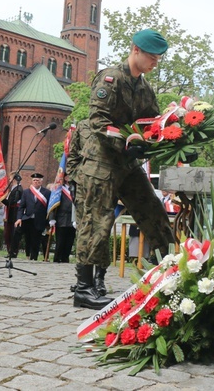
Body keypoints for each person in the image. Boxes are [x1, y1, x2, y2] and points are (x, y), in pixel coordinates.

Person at [73, 29, 177, 309]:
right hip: (102, 161)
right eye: (152, 57)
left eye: (158, 58)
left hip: (128, 164)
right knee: (97, 221)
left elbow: (154, 124)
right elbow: (98, 120)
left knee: (152, 208)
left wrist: (177, 140)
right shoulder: (111, 78)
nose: (155, 62)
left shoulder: (145, 89)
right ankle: (84, 289)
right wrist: (125, 143)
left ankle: (169, 271)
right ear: (135, 50)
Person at [14, 172, 51, 261]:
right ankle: (13, 253)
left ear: (41, 182)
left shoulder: (47, 192)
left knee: (36, 239)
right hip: (27, 218)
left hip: (39, 219)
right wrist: (19, 218)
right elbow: (21, 206)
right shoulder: (27, 192)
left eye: (37, 180)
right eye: (34, 180)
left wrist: (48, 221)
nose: (35, 182)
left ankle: (34, 257)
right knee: (17, 232)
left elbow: (49, 208)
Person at [48, 183, 76, 263]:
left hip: (72, 218)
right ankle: (57, 258)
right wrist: (52, 218)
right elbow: (53, 203)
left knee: (70, 241)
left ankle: (65, 258)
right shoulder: (58, 189)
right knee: (60, 241)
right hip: (61, 218)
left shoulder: (75, 188)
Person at [5, 173, 24, 258]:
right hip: (11, 214)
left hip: (14, 214)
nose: (9, 180)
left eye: (10, 179)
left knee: (12, 234)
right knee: (9, 234)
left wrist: (1, 199)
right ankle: (10, 251)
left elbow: (12, 202)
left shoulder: (18, 189)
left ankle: (13, 251)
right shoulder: (14, 189)